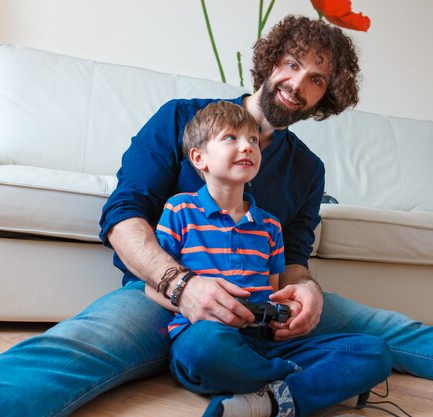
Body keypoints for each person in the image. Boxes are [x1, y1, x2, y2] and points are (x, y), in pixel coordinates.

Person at [0, 14, 433, 417]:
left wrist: (305, 289)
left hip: (264, 305)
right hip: (158, 300)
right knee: (69, 349)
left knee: (387, 332)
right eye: (292, 65)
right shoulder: (183, 118)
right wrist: (181, 285)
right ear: (269, 63)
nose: (299, 82)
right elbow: (122, 213)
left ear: (326, 97)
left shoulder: (308, 169)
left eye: (317, 79)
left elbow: (293, 254)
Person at [145, 100, 390, 417]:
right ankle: (303, 383)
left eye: (253, 140)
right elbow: (152, 288)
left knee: (374, 351)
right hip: (206, 336)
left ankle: (265, 401)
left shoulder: (271, 226)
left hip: (266, 341)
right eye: (231, 138)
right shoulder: (179, 210)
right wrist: (196, 303)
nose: (247, 146)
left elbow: (273, 292)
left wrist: (286, 311)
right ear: (199, 157)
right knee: (204, 347)